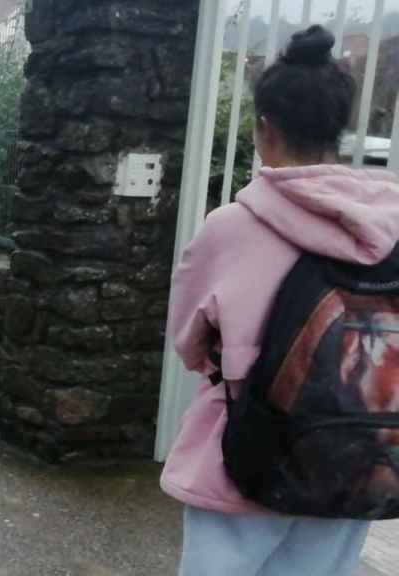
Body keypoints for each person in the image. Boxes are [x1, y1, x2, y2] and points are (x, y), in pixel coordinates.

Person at [162, 26, 396, 576]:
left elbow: (189, 344)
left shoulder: (232, 228)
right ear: (339, 130)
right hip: (357, 455)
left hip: (249, 451)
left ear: (264, 128)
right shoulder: (392, 230)